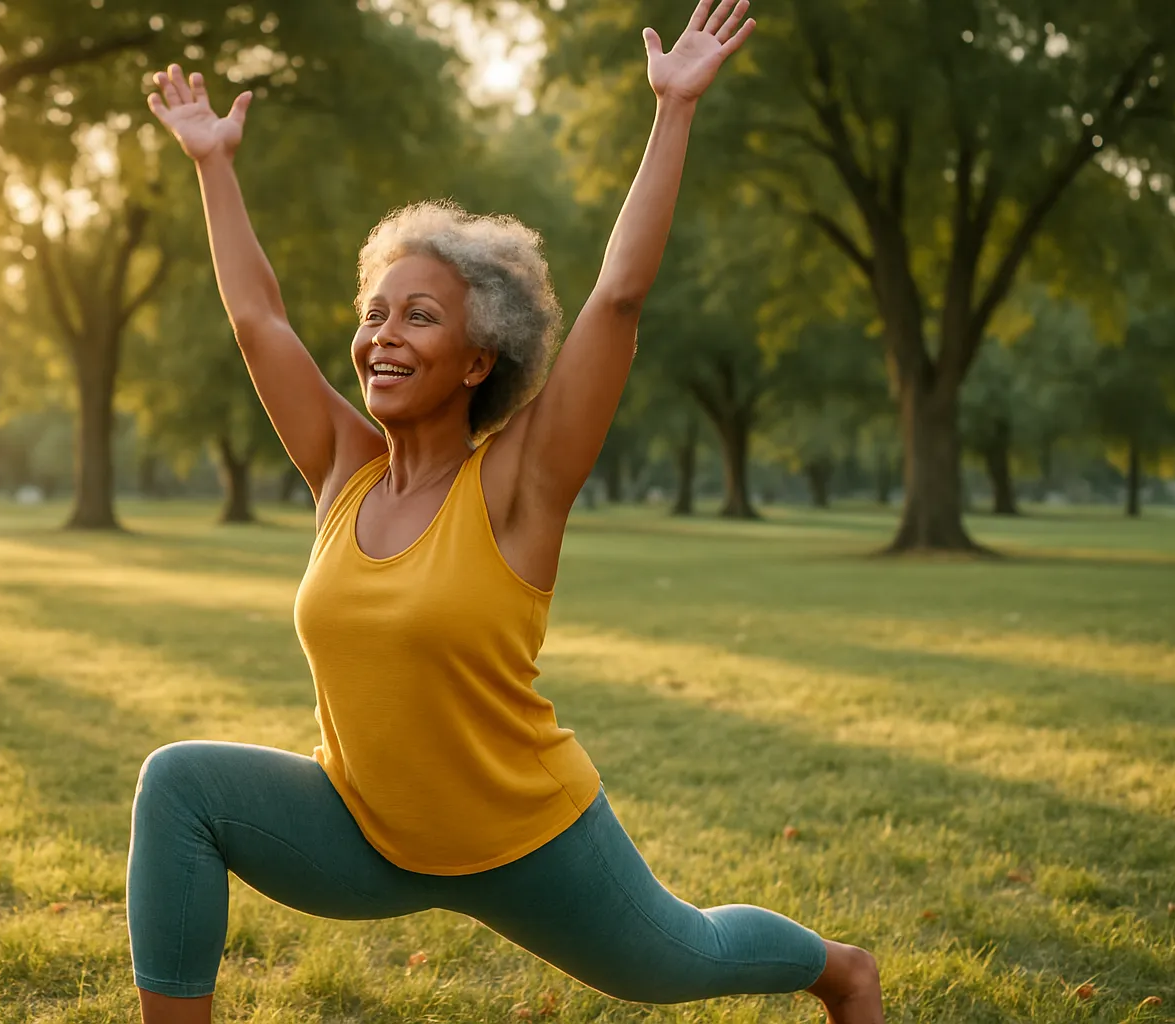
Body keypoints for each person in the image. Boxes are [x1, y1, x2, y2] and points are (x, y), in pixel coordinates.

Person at [130, 2, 883, 1021]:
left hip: (527, 837)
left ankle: (840, 969)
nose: (382, 336)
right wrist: (215, 164)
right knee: (179, 786)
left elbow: (616, 298)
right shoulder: (341, 471)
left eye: (421, 316)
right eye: (373, 313)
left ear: (480, 358)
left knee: (685, 957)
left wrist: (672, 113)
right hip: (367, 834)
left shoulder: (521, 484)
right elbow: (257, 317)